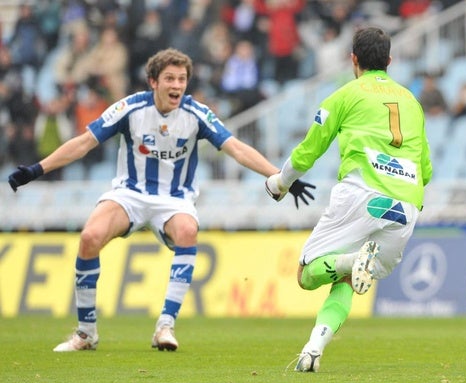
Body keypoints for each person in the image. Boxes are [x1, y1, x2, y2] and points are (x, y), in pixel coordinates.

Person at [8, 48, 315, 352]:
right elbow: (84, 143)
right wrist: (37, 169)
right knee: (89, 237)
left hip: (174, 199)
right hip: (129, 193)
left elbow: (237, 149)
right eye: (170, 78)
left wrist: (282, 176)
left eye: (182, 79)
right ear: (153, 81)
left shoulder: (197, 113)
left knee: (188, 231)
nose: (177, 85)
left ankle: (165, 326)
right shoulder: (129, 108)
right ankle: (86, 333)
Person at [264, 27, 432, 372]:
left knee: (307, 275)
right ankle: (313, 349)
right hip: (405, 207)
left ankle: (351, 259)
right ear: (389, 61)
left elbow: (309, 150)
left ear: (353, 59)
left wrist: (280, 183)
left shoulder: (344, 95)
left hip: (362, 196)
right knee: (347, 280)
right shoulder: (412, 102)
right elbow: (425, 169)